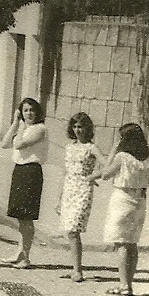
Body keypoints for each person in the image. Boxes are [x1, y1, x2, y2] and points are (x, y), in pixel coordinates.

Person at [87, 123, 149, 296]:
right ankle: (129, 284)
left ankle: (123, 285)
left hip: (123, 200)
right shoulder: (148, 158)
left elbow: (105, 174)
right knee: (132, 243)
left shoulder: (122, 157)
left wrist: (113, 150)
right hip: (140, 201)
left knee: (121, 243)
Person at [57, 112, 106, 283]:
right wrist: (59, 197)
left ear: (88, 129)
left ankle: (78, 271)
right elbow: (65, 172)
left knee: (73, 229)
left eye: (81, 127)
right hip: (69, 189)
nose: (78, 130)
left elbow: (108, 167)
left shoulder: (92, 148)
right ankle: (74, 268)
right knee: (69, 231)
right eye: (75, 127)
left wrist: (93, 177)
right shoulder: (69, 147)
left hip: (83, 190)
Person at [1, 97, 49, 269]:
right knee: (20, 217)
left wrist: (20, 127)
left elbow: (19, 144)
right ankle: (19, 252)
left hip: (31, 173)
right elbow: (5, 144)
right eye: (25, 110)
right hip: (19, 171)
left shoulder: (40, 129)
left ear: (38, 112)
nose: (29, 113)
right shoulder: (22, 127)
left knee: (27, 217)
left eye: (32, 110)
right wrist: (15, 123)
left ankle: (26, 257)